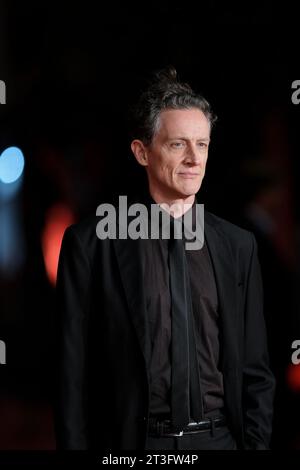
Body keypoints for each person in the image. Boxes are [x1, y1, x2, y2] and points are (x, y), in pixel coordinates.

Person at [54, 67, 275, 451]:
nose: (194, 159)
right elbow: (70, 375)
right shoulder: (90, 245)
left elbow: (255, 370)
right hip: (133, 447)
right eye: (178, 144)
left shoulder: (239, 246)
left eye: (202, 144)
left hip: (220, 441)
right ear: (142, 152)